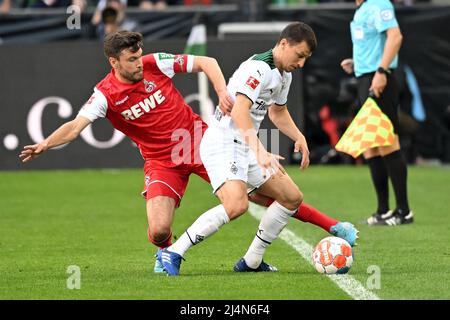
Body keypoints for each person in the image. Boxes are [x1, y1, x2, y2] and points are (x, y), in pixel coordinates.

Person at [20, 30, 356, 275]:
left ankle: (320, 231)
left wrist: (223, 91)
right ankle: (169, 254)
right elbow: (77, 126)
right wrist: (47, 144)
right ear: (114, 62)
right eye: (131, 60)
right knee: (159, 231)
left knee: (263, 197)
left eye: (139, 56)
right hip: (162, 161)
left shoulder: (155, 64)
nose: (139, 63)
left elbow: (207, 62)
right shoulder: (104, 95)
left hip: (194, 141)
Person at [159, 22, 358, 276]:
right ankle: (174, 251)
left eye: (306, 58)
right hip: (223, 143)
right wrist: (260, 150)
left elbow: (278, 111)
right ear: (284, 44)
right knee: (236, 205)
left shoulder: (284, 74)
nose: (302, 63)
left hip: (245, 144)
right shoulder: (258, 68)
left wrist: (299, 137)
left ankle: (252, 261)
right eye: (300, 56)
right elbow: (240, 111)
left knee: (291, 197)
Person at [340, 0, 413, 225]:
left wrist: (380, 70)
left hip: (380, 79)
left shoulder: (379, 3)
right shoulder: (362, 8)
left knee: (386, 140)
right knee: (370, 145)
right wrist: (358, 63)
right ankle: (383, 210)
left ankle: (404, 211)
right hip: (366, 77)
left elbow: (395, 36)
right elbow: (375, 43)